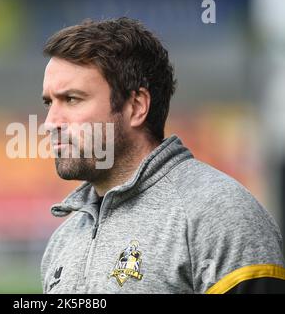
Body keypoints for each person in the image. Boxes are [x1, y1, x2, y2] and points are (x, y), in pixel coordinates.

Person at [40, 17, 285, 293]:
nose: (50, 122)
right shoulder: (63, 240)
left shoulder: (220, 213)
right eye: (49, 102)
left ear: (136, 106)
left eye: (71, 99)